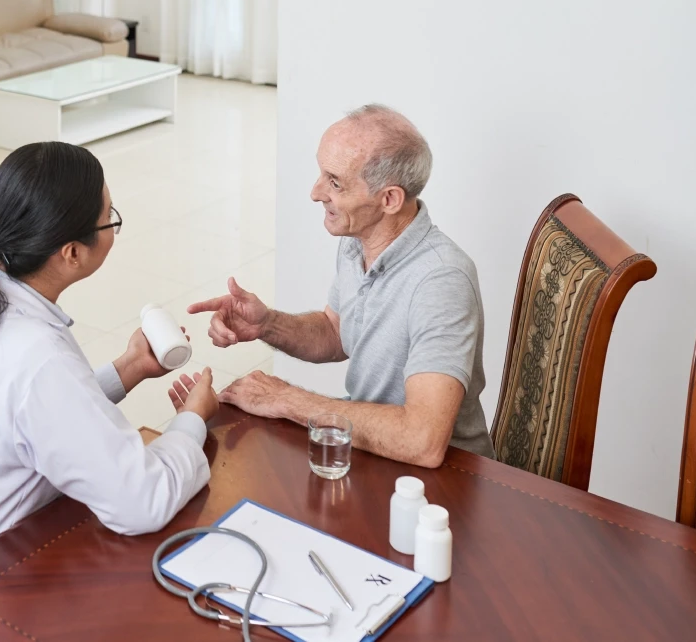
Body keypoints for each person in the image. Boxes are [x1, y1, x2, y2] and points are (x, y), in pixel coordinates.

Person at [0, 142, 218, 588]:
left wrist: (129, 368)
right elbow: (140, 502)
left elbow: (37, 420)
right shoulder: (38, 355)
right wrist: (192, 421)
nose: (113, 229)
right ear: (71, 253)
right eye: (110, 220)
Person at [189, 104, 495, 467]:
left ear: (389, 199)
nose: (315, 192)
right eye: (321, 174)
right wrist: (266, 324)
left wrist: (287, 399)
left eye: (335, 182)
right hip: (372, 454)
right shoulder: (357, 239)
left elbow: (421, 441)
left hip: (446, 481)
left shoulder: (441, 281)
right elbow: (337, 332)